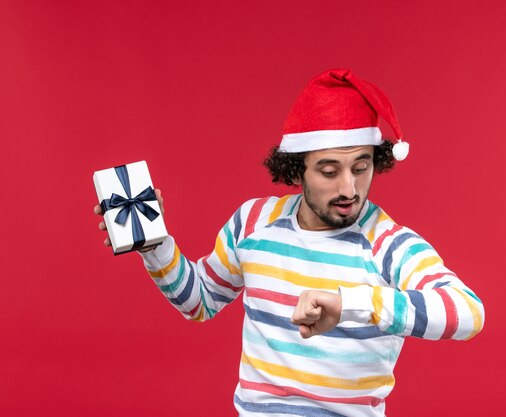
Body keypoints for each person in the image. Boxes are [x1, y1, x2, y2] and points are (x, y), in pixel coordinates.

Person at [95, 68, 485, 417]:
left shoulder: (387, 243)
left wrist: (352, 303)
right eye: (329, 171)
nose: (349, 188)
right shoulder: (253, 223)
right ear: (296, 167)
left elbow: (467, 313)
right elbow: (199, 303)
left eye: (361, 168)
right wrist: (155, 245)